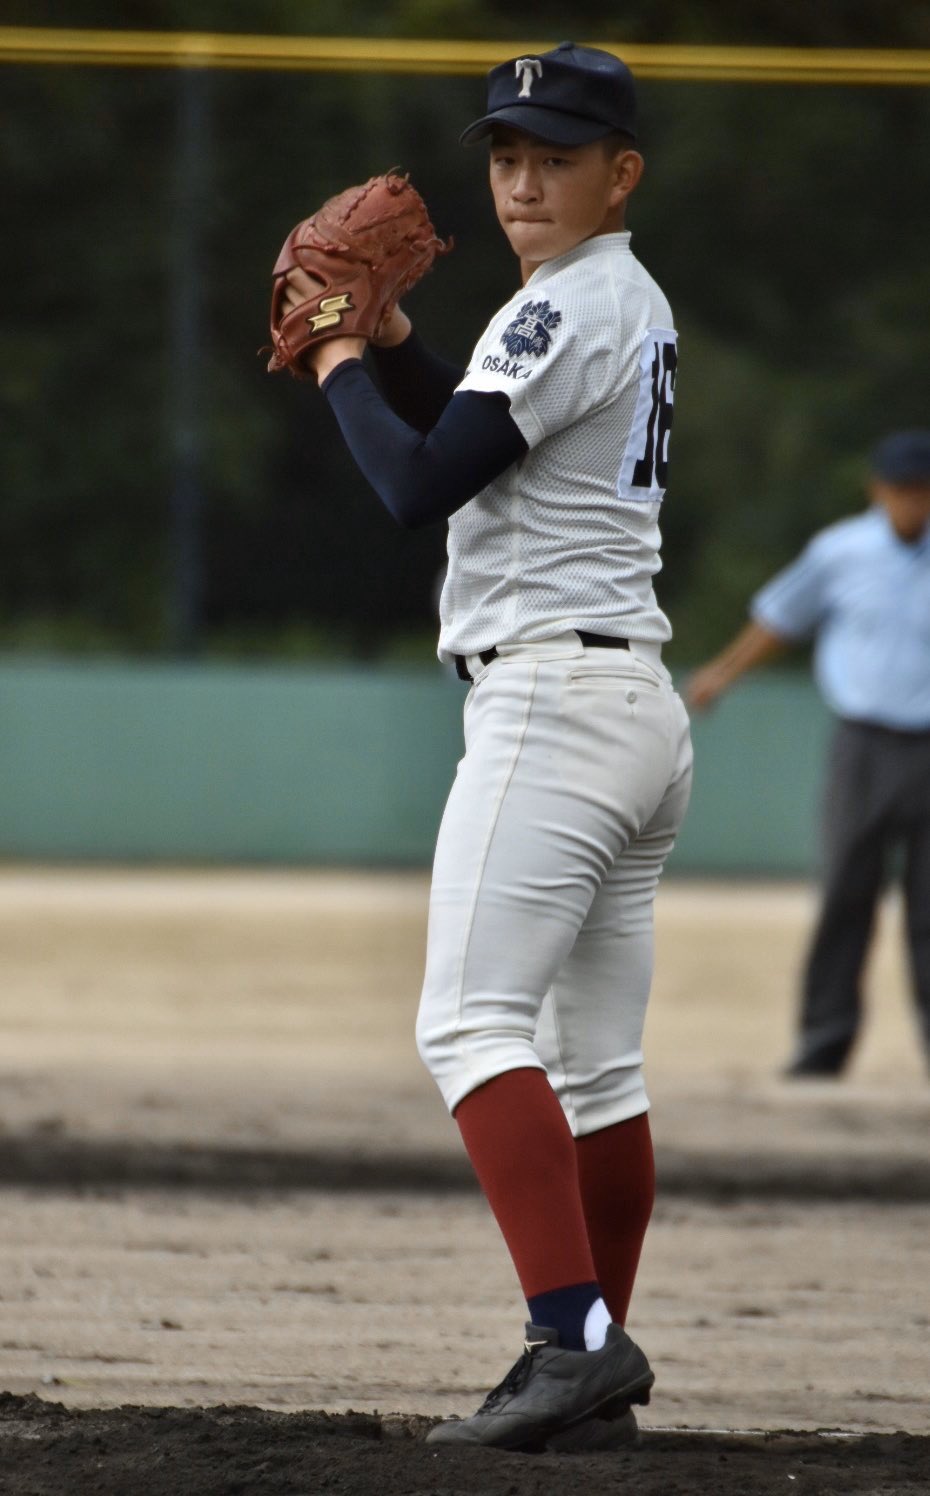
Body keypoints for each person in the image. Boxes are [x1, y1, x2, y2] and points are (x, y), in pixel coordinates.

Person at [279, 42, 692, 1450]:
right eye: (506, 155)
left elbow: (413, 487)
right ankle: (591, 1382)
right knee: (599, 1072)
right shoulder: (617, 297)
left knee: (464, 1025)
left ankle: (570, 1341)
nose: (522, 179)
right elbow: (484, 434)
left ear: (617, 173)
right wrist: (396, 346)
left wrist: (337, 354)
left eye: (556, 156)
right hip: (635, 710)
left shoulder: (559, 301)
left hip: (551, 715)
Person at [688, 431, 930, 1078]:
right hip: (865, 745)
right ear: (878, 489)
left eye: (924, 491)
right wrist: (722, 672)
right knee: (846, 892)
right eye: (903, 490)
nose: (914, 503)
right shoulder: (842, 552)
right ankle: (825, 1043)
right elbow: (781, 618)